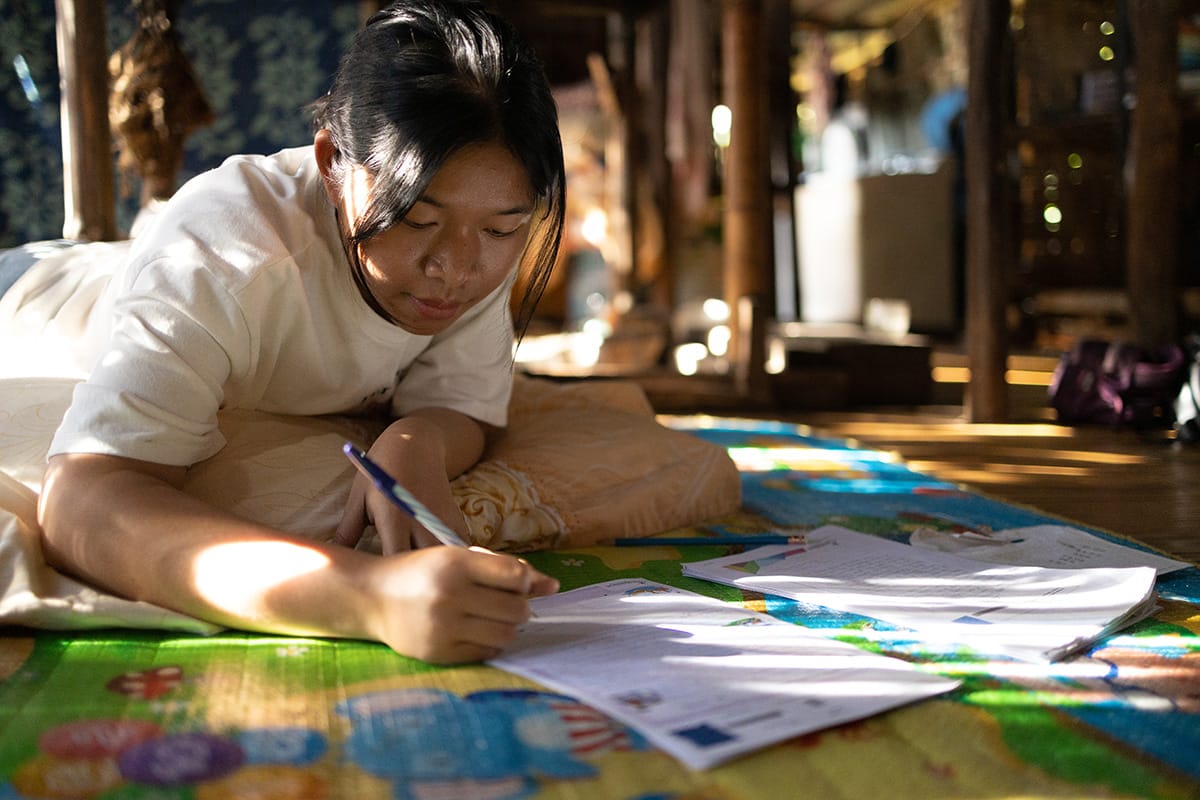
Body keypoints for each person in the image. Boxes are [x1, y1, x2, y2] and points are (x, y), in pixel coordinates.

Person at [35, 0, 565, 665]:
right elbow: (79, 505)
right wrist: (369, 598)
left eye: (501, 229)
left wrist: (416, 439)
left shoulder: (463, 258)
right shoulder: (227, 259)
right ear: (331, 162)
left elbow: (463, 406)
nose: (455, 268)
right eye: (416, 217)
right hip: (39, 298)